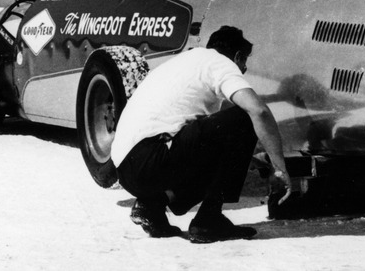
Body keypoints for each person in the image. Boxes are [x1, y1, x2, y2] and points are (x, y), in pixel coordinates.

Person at [111, 25, 292, 243]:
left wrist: (255, 162)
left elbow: (204, 145)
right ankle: (209, 221)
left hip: (127, 171)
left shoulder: (184, 63)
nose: (243, 70)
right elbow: (258, 111)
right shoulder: (221, 63)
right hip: (152, 158)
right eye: (244, 62)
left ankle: (152, 206)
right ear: (237, 56)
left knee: (210, 139)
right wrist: (279, 168)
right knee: (245, 117)